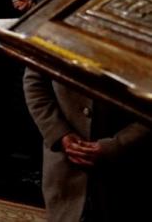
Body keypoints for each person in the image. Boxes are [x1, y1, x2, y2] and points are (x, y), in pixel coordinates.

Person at [24, 67, 152, 222]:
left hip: (127, 170)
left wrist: (117, 145)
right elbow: (34, 83)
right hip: (64, 167)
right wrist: (60, 134)